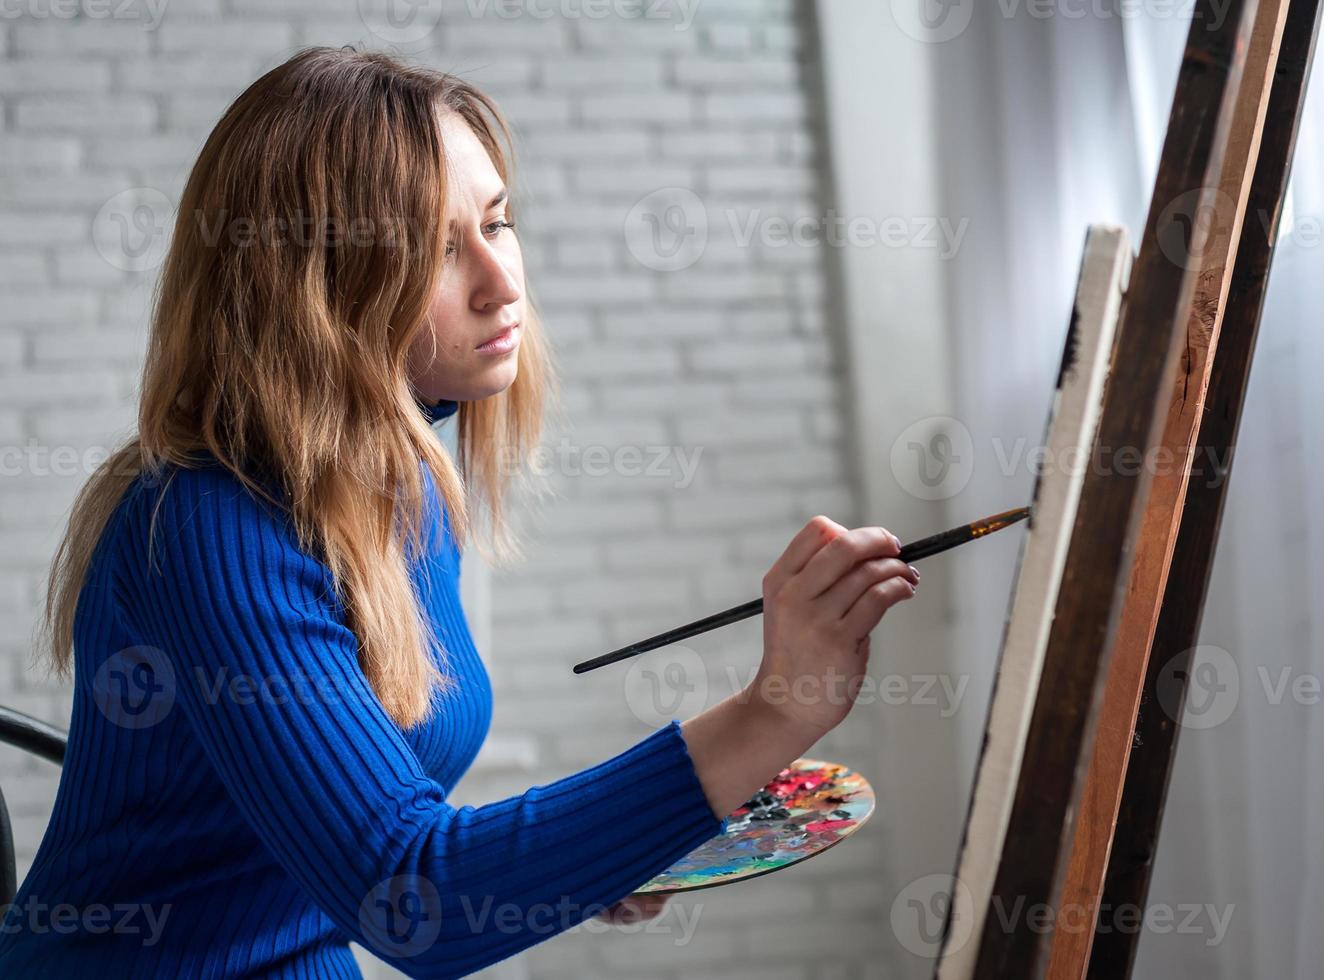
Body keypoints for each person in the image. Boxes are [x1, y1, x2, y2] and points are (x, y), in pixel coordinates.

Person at [0, 47, 920, 978]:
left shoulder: (395, 493)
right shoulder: (210, 527)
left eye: (498, 222)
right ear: (313, 286)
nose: (501, 279)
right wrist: (777, 706)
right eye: (439, 248)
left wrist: (586, 857)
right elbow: (412, 900)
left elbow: (377, 836)